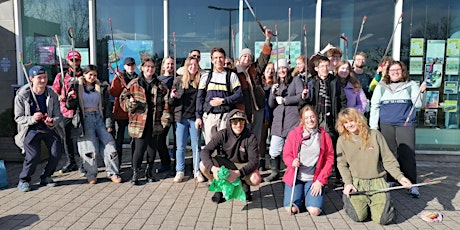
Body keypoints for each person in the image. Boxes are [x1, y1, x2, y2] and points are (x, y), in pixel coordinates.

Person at [336, 107, 413, 224]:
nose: (349, 125)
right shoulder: (342, 140)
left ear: (359, 119)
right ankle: (352, 201)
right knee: (359, 217)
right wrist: (348, 183)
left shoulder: (375, 135)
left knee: (384, 219)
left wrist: (400, 177)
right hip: (357, 183)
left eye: (352, 120)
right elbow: (342, 164)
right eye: (345, 123)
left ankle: (382, 205)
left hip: (377, 181)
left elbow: (388, 160)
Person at [369, 60, 423, 198]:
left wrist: (421, 92)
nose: (395, 73)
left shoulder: (411, 85)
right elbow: (374, 107)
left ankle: (412, 184)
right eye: (392, 70)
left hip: (405, 124)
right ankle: (391, 180)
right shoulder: (381, 87)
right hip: (386, 124)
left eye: (397, 70)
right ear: (388, 72)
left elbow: (418, 104)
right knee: (389, 153)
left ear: (402, 71)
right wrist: (373, 128)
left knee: (407, 154)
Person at [120, 57, 172, 185]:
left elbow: (166, 104)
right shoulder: (133, 84)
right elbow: (123, 101)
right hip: (139, 122)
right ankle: (136, 173)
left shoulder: (161, 85)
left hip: (155, 121)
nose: (150, 69)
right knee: (139, 148)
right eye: (147, 66)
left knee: (152, 149)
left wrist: (165, 120)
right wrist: (131, 103)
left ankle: (149, 172)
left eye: (152, 67)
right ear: (142, 68)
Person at [66, 64, 121, 184]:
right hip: (85, 119)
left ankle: (113, 173)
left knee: (110, 146)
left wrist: (109, 124)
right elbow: (70, 106)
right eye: (90, 74)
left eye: (95, 75)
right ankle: (91, 174)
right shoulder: (76, 86)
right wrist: (71, 98)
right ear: (84, 75)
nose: (92, 77)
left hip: (99, 118)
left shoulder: (100, 87)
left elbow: (107, 107)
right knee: (89, 149)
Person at [14, 66, 64, 192]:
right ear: (31, 79)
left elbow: (59, 115)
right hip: (30, 130)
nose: (43, 81)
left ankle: (46, 176)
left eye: (45, 77)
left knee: (56, 153)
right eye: (39, 78)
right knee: (33, 156)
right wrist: (32, 118)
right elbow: (18, 117)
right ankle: (24, 180)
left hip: (48, 128)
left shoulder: (51, 93)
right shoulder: (22, 95)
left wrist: (52, 121)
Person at [199, 109, 261, 203]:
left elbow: (254, 162)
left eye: (241, 121)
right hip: (226, 163)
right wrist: (213, 169)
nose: (238, 125)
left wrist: (238, 173)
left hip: (243, 165)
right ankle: (219, 186)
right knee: (202, 165)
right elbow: (205, 151)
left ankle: (243, 183)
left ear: (245, 122)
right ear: (229, 122)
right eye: (235, 121)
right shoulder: (222, 134)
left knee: (256, 179)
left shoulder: (251, 137)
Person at [282, 105, 334, 215]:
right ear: (302, 120)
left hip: (314, 179)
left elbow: (329, 160)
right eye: (306, 118)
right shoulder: (295, 134)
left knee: (314, 211)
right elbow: (286, 153)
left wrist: (320, 180)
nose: (310, 120)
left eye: (312, 117)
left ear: (316, 117)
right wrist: (291, 162)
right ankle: (302, 197)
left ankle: (309, 197)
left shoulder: (324, 136)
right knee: (291, 209)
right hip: (296, 177)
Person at [305, 55, 347, 186]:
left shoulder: (335, 82)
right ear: (317, 68)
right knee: (318, 148)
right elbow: (306, 102)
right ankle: (319, 175)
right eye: (322, 66)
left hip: (331, 118)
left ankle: (339, 176)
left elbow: (342, 100)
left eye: (326, 66)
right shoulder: (311, 82)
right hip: (316, 118)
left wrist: (341, 117)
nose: (324, 68)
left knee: (333, 148)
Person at [265, 58, 304, 182]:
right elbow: (271, 105)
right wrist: (272, 93)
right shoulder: (276, 84)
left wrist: (286, 100)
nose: (282, 70)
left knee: (291, 149)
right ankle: (275, 171)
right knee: (274, 149)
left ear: (287, 69)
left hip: (292, 120)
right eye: (279, 69)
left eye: (283, 68)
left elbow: (301, 96)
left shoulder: (296, 80)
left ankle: (291, 172)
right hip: (278, 122)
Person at [195, 48, 243, 144]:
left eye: (221, 57)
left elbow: (239, 95)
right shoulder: (205, 77)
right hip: (209, 117)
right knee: (210, 146)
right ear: (212, 60)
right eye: (215, 57)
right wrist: (198, 117)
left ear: (224, 59)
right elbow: (200, 98)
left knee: (225, 146)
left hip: (225, 116)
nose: (218, 60)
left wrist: (223, 101)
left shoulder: (231, 76)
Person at [234, 28, 272, 148]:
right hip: (244, 108)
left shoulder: (255, 69)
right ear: (240, 58)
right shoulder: (234, 72)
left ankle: (254, 161)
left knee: (256, 135)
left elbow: (264, 58)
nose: (247, 59)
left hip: (258, 107)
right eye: (244, 56)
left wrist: (267, 39)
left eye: (249, 57)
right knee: (244, 135)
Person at [169, 57, 205, 183]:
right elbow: (171, 102)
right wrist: (172, 96)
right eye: (190, 65)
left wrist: (200, 116)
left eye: (195, 65)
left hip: (194, 118)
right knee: (181, 147)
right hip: (181, 117)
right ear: (186, 66)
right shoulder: (178, 81)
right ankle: (180, 171)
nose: (193, 67)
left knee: (196, 146)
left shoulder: (200, 81)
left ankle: (197, 171)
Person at [52, 50, 83, 175]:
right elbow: (55, 90)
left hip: (80, 110)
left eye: (77, 60)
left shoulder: (84, 75)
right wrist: (60, 95)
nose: (75, 63)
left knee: (82, 137)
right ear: (68, 61)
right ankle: (71, 161)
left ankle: (83, 163)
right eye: (72, 60)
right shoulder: (61, 76)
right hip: (66, 111)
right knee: (67, 138)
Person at [110, 57, 139, 167]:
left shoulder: (138, 77)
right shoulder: (119, 76)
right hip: (121, 112)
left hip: (134, 113)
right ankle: (117, 164)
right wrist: (117, 80)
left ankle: (135, 163)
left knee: (134, 140)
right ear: (124, 66)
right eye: (128, 65)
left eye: (132, 65)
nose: (130, 67)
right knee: (119, 140)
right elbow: (114, 92)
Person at [156, 56, 175, 174]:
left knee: (178, 142)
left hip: (177, 112)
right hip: (163, 114)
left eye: (172, 64)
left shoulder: (177, 79)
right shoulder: (157, 80)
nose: (170, 66)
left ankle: (177, 166)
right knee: (160, 140)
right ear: (163, 65)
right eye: (167, 64)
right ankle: (165, 162)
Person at [259, 62, 275, 171]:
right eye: (268, 69)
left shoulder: (277, 82)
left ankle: (274, 163)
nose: (270, 71)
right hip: (264, 113)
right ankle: (261, 161)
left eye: (272, 69)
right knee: (262, 138)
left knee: (274, 139)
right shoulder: (260, 83)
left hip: (275, 113)